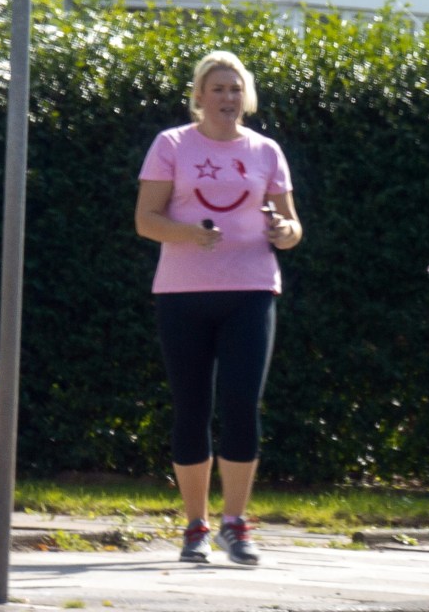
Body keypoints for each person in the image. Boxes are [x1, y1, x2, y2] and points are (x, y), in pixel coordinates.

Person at [134, 50, 303, 566]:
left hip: (251, 291)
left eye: (236, 89)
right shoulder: (172, 145)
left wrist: (283, 231)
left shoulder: (266, 151)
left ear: (245, 97)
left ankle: (236, 522)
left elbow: (294, 229)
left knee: (241, 404)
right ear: (199, 97)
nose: (228, 98)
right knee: (191, 408)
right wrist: (191, 234)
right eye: (218, 89)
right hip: (183, 293)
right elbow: (146, 220)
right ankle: (195, 526)